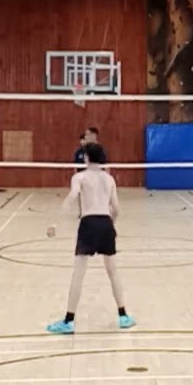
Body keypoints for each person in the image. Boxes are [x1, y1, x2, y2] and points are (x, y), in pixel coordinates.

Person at [45, 142, 134, 334]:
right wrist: (112, 225)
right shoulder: (109, 179)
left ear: (86, 158)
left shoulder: (80, 177)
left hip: (88, 223)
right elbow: (117, 209)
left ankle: (68, 321)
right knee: (113, 272)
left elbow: (72, 197)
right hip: (105, 223)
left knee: (78, 274)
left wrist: (56, 222)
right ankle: (124, 316)